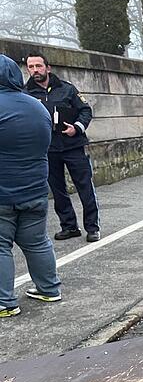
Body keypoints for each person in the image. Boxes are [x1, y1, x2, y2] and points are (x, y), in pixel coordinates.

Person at [0, 54, 63, 317]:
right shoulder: (37, 106)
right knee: (37, 241)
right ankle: (49, 289)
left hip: (3, 192)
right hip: (35, 189)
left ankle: (5, 302)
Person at [24, 53, 100, 242]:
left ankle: (92, 227)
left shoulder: (67, 89)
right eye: (31, 67)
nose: (35, 70)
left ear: (47, 68)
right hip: (47, 149)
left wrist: (77, 128)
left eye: (38, 66)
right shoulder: (25, 94)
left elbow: (85, 110)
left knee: (85, 187)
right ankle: (69, 226)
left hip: (73, 146)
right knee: (58, 191)